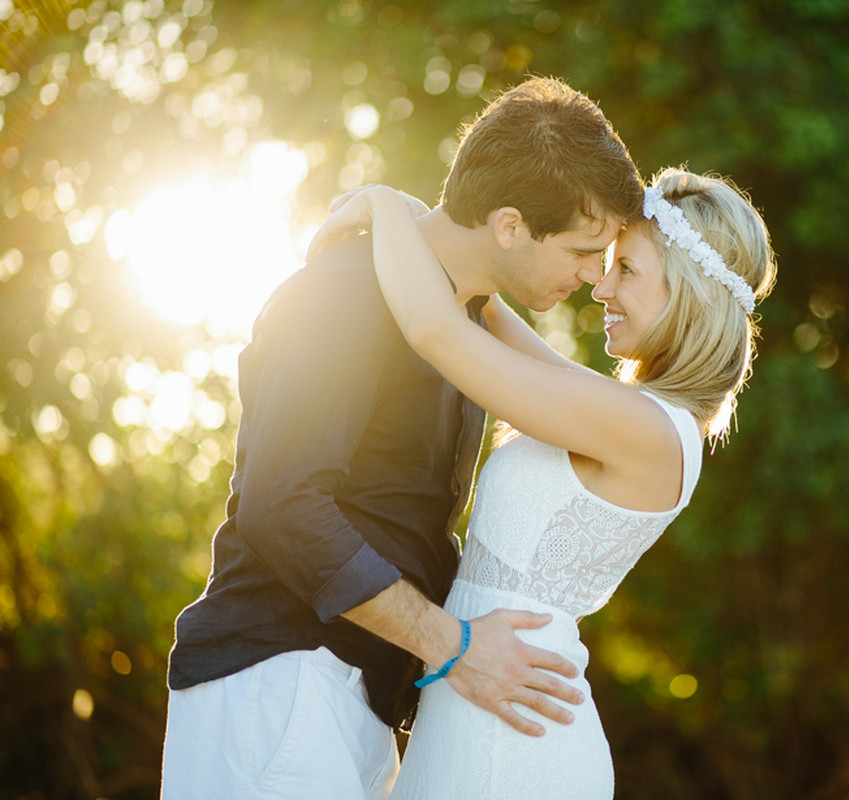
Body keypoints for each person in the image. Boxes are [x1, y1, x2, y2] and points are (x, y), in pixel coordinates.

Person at [160, 77, 643, 799]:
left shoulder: (457, 324)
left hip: (358, 697)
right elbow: (283, 504)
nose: (592, 275)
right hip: (280, 682)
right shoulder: (347, 291)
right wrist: (455, 646)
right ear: (509, 226)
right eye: (582, 250)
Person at [308, 166, 776, 798]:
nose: (601, 288)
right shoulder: (639, 417)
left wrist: (383, 204)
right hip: (489, 707)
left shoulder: (648, 429)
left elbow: (434, 330)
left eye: (626, 270)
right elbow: (490, 312)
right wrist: (433, 222)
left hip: (510, 742)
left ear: (688, 295)